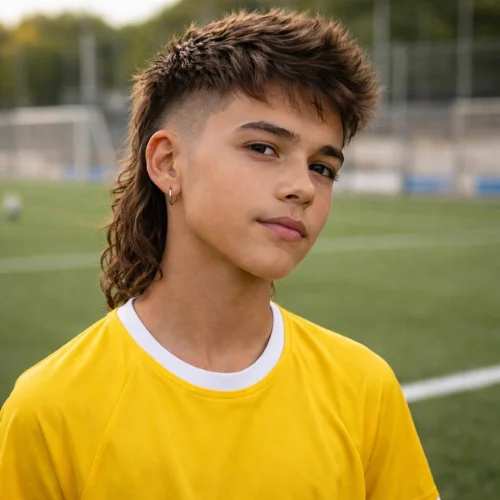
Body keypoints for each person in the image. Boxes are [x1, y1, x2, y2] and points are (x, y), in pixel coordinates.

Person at [0, 9, 440, 500]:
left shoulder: (365, 387)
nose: (303, 187)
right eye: (263, 147)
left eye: (323, 167)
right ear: (167, 163)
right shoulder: (48, 410)